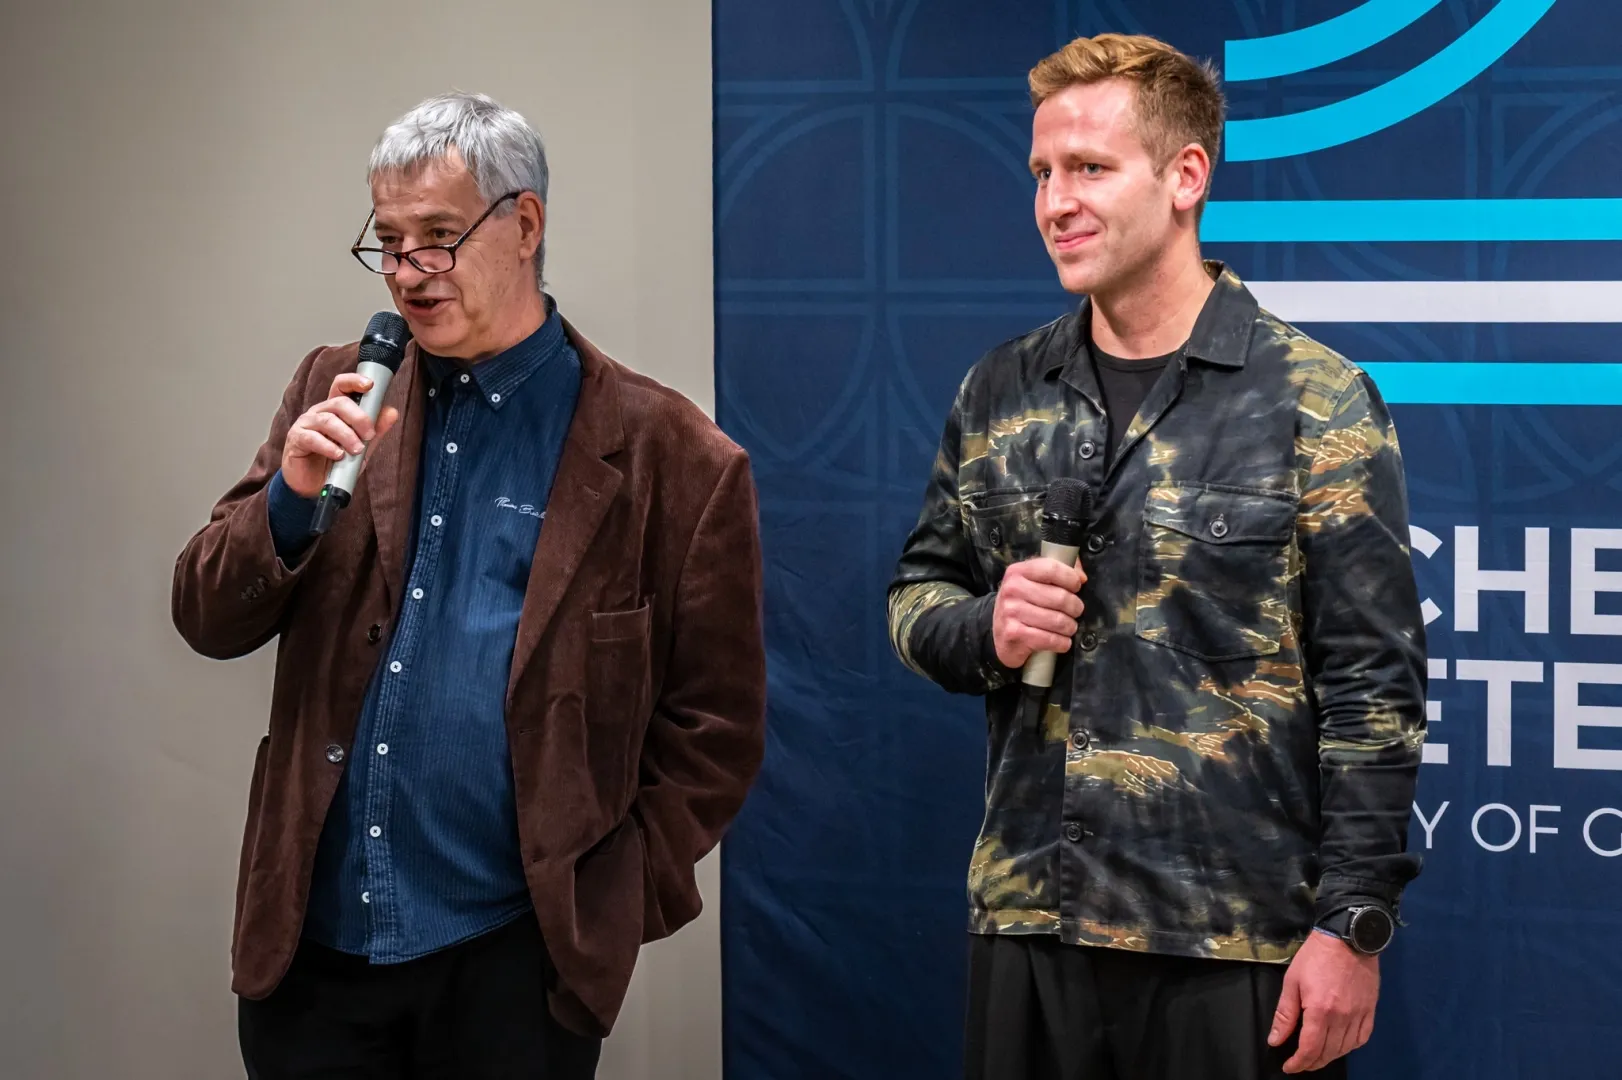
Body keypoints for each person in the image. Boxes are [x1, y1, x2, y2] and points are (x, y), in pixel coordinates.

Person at [172, 91, 767, 1078]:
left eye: (438, 239)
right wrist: (288, 501)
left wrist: (604, 901)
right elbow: (204, 615)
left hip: (512, 971)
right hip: (311, 959)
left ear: (523, 225)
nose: (408, 274)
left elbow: (716, 732)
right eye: (390, 243)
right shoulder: (338, 386)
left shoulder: (673, 458)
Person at [887, 33, 1426, 1080]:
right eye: (1041, 173)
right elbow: (915, 599)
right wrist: (984, 628)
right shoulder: (997, 393)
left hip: (1235, 944)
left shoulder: (1311, 400)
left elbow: (1374, 689)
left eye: (1089, 168)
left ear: (1184, 177)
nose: (1054, 202)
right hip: (1028, 920)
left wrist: (1351, 923)